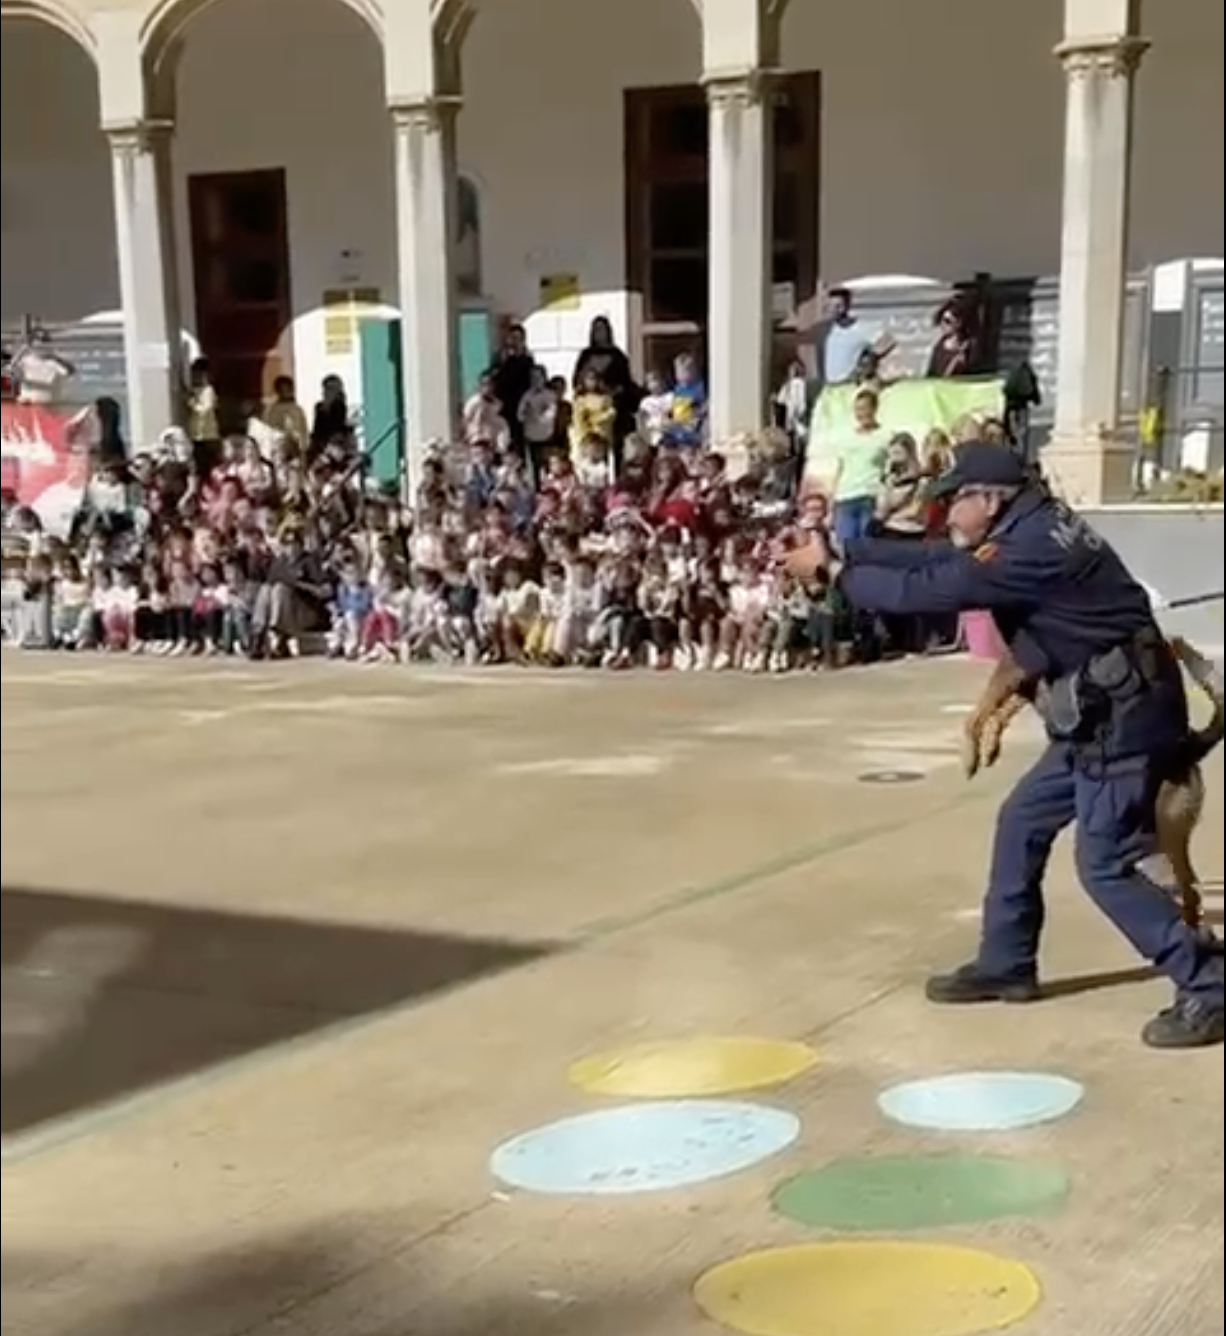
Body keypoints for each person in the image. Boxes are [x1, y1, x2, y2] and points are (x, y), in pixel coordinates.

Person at [781, 441, 1224, 1049]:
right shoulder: (1029, 525)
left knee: (1106, 865)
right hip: (1103, 714)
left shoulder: (1029, 550)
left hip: (1123, 722)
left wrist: (833, 573)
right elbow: (939, 557)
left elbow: (927, 590)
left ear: (988, 500)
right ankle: (1007, 961)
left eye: (954, 500)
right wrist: (843, 548)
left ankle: (1209, 984)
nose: (946, 513)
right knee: (1022, 821)